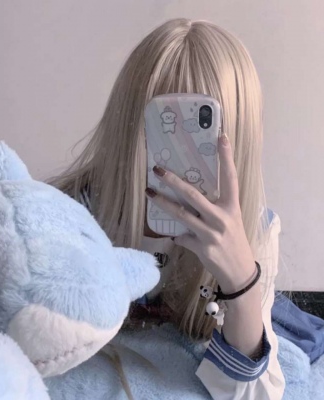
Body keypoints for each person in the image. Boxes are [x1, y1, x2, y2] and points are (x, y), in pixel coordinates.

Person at [49, 18, 285, 399]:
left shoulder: (255, 234)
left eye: (198, 129)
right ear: (128, 125)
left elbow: (255, 393)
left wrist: (242, 282)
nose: (179, 151)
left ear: (235, 138)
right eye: (164, 125)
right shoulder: (75, 212)